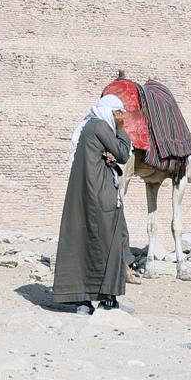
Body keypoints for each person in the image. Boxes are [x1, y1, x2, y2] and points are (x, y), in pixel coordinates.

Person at [50, 94, 133, 315]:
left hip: (84, 197)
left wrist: (109, 159)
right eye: (119, 114)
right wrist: (122, 130)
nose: (121, 117)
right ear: (111, 113)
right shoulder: (101, 127)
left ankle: (83, 302)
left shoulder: (89, 127)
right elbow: (124, 153)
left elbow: (103, 156)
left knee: (85, 245)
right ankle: (109, 301)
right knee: (114, 241)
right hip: (101, 196)